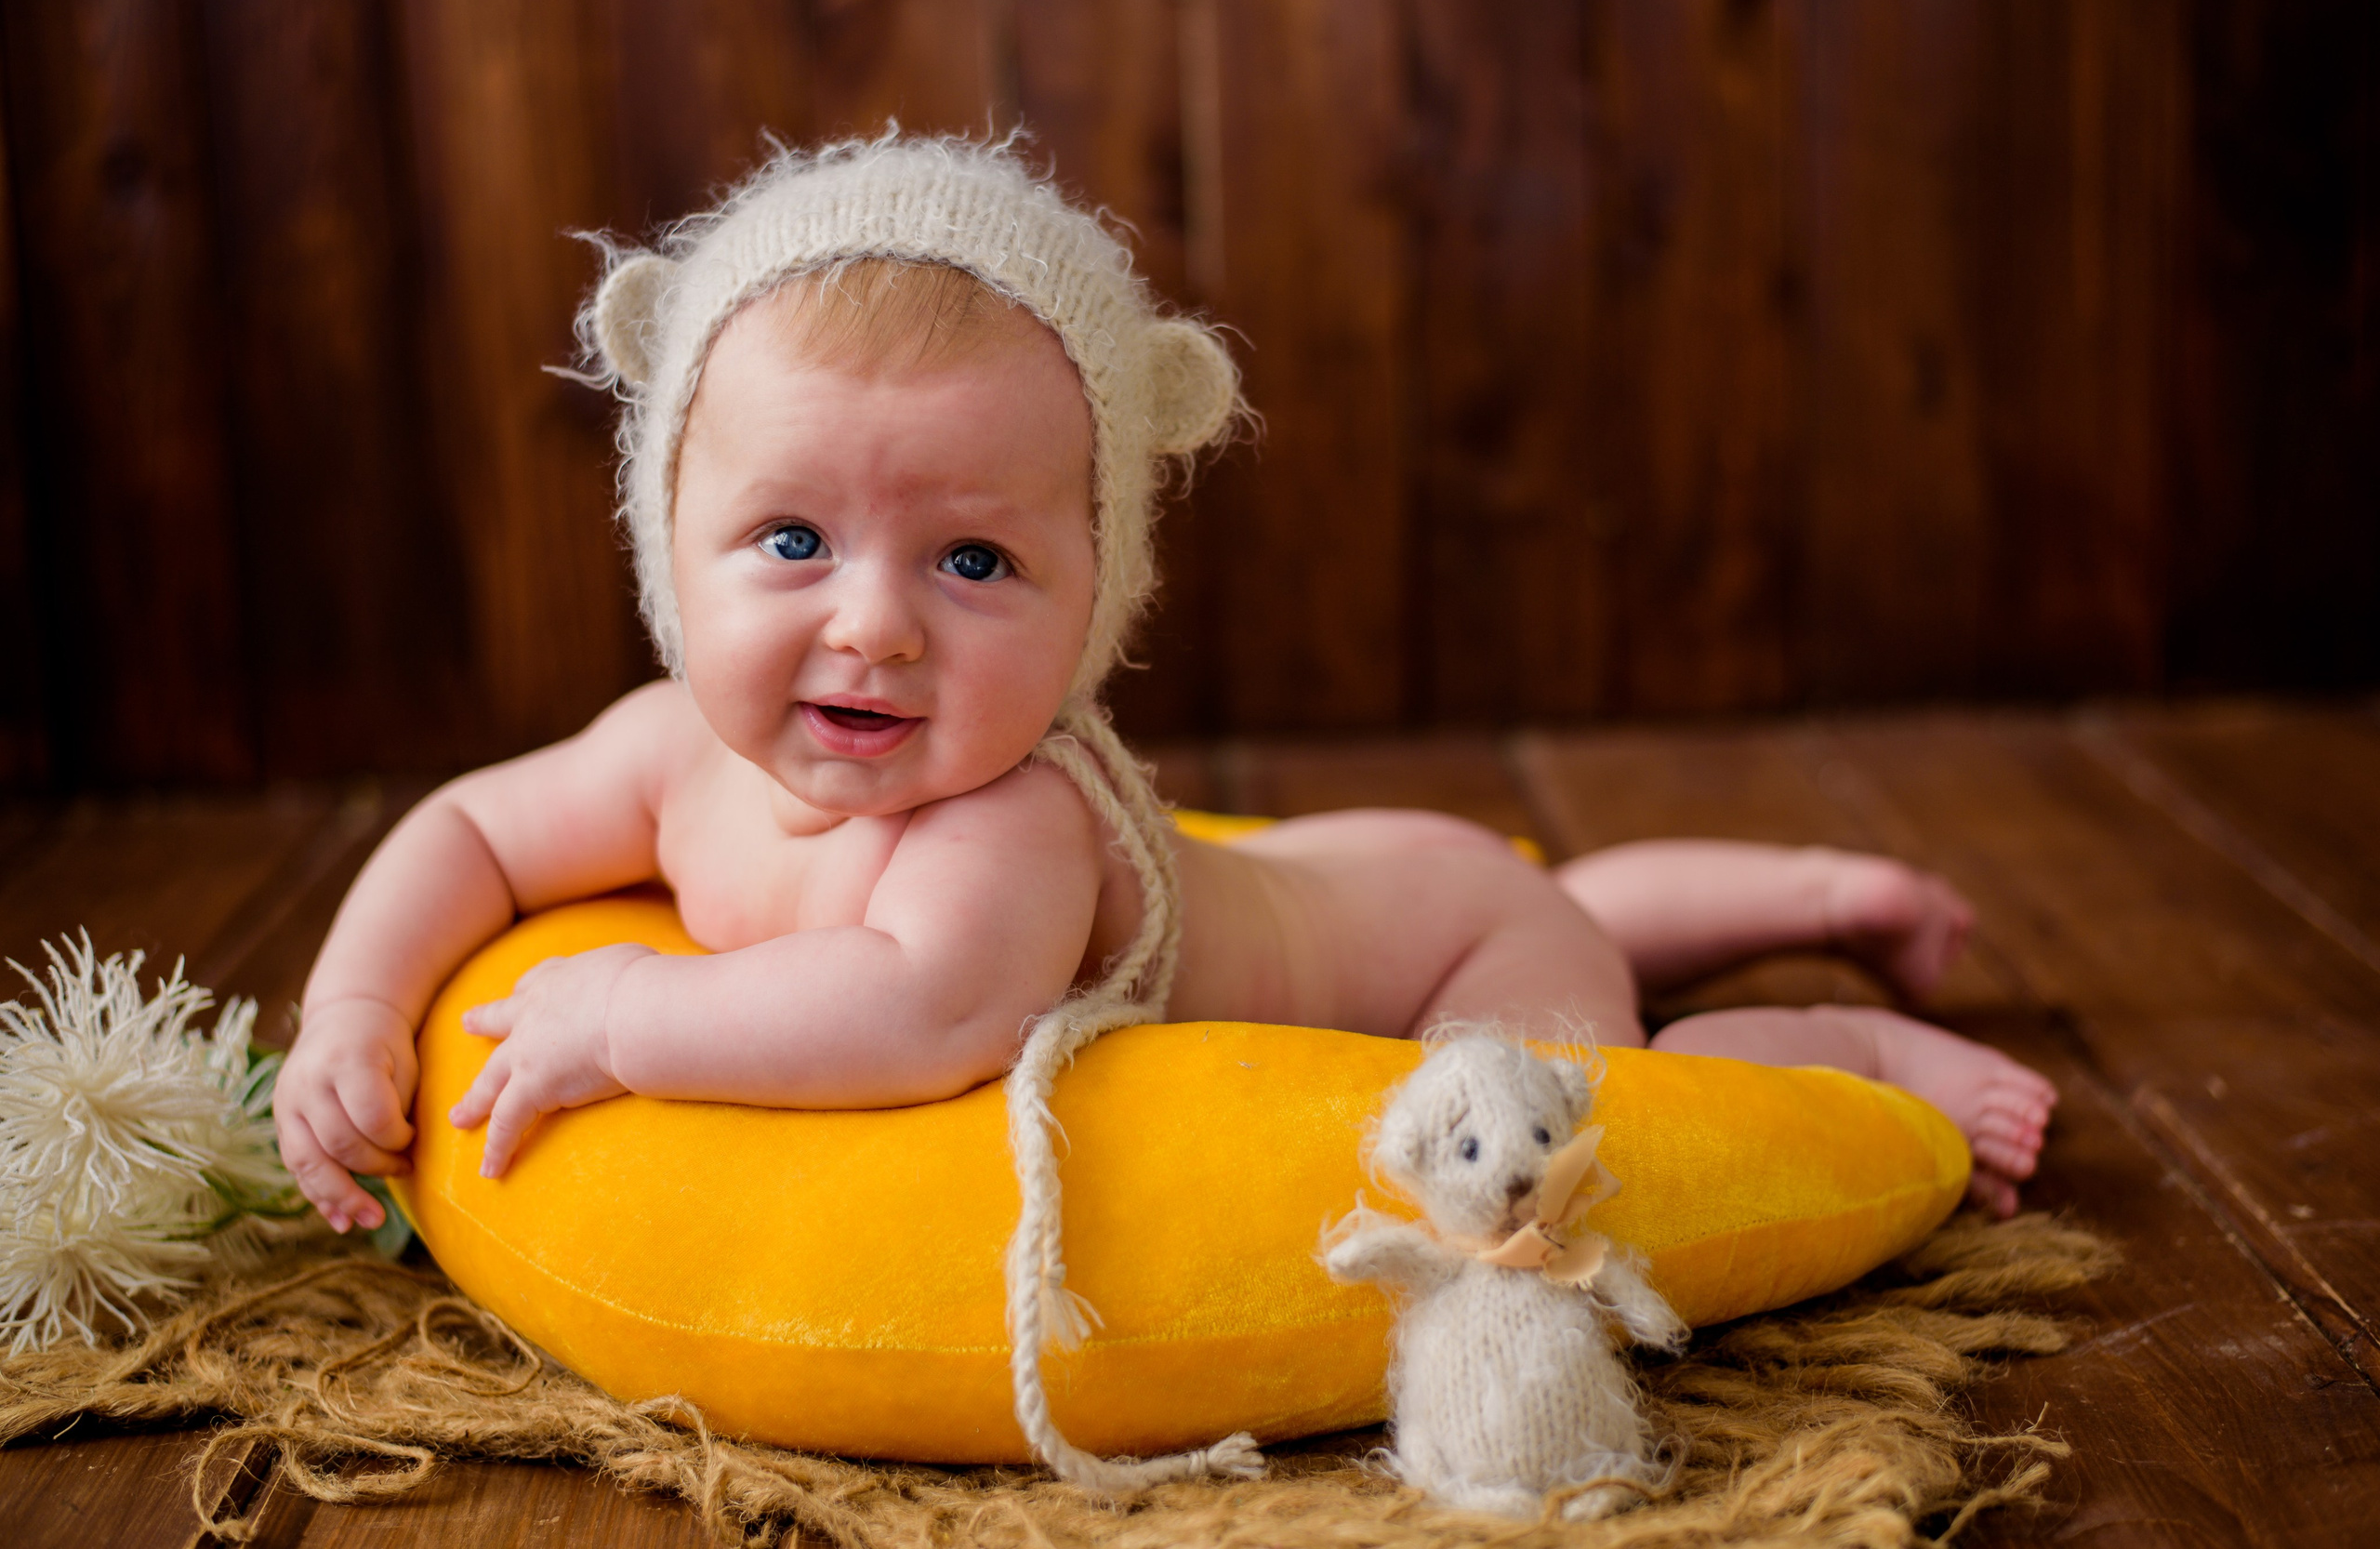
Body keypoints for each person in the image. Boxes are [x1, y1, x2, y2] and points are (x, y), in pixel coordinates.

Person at [276, 134, 2053, 1279]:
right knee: (1539, 896)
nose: (873, 628)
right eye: (794, 539)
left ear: (1094, 593)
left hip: (1430, 956)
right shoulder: (665, 751)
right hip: (1391, 879)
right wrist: (357, 1003)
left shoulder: (1004, 827)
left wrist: (636, 1021)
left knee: (1567, 1121)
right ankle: (1816, 883)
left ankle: (1855, 1046)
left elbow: (921, 1014)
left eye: (972, 561)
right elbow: (472, 830)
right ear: (674, 549)